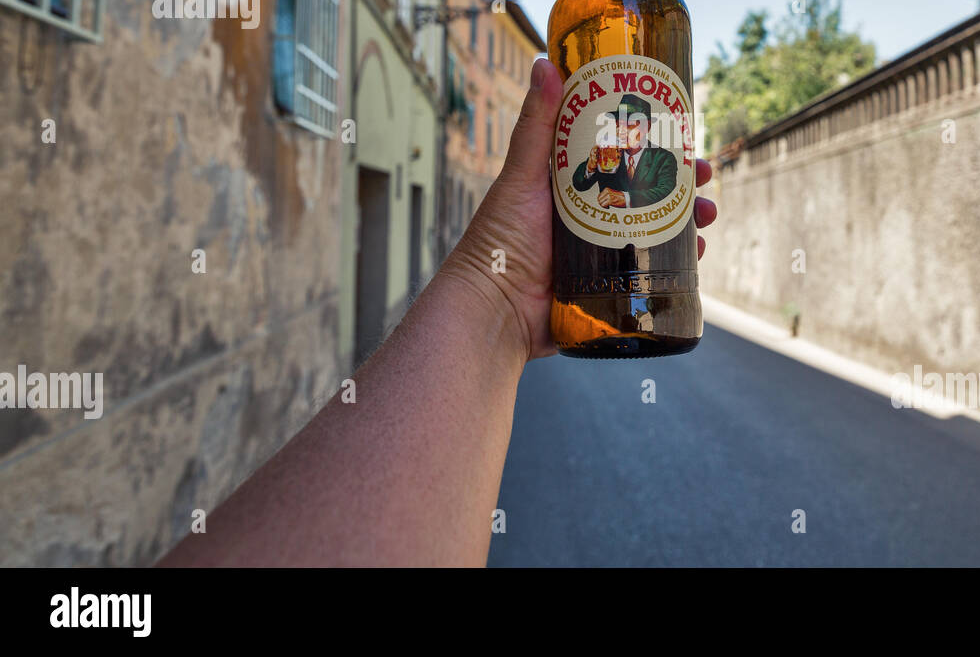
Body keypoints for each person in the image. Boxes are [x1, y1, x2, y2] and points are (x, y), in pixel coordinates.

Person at [156, 57, 718, 567]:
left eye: (637, 125)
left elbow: (654, 196)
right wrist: (581, 190)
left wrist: (501, 293)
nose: (629, 132)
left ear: (649, 128)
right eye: (622, 124)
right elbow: (578, 185)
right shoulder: (602, 158)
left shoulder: (664, 164)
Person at [572, 94, 679, 209]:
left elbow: (665, 191)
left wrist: (625, 198)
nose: (621, 131)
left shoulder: (663, 158)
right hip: (609, 224)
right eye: (618, 124)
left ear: (646, 127)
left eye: (629, 125)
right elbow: (579, 185)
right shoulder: (608, 153)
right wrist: (590, 168)